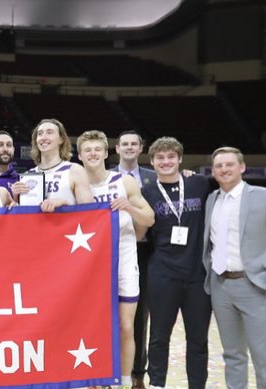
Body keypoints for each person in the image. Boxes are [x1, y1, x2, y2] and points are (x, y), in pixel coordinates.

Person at [203, 146, 266, 389]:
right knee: (233, 355)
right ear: (213, 171)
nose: (224, 169)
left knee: (263, 357)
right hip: (221, 286)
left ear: (242, 167)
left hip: (256, 285)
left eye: (229, 164)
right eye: (218, 166)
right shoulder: (211, 199)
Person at [77, 131, 156, 387]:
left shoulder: (124, 183)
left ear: (105, 152)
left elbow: (149, 219)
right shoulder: (73, 183)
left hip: (123, 262)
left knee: (125, 327)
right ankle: (95, 378)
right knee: (94, 326)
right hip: (88, 267)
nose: (92, 154)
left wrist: (129, 207)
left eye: (97, 149)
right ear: (79, 155)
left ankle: (122, 381)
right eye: (87, 150)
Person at [139, 137, 212, 389]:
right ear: (152, 162)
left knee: (198, 340)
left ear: (180, 159)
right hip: (162, 274)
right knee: (159, 336)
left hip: (197, 275)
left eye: (171, 157)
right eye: (160, 157)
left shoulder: (199, 183)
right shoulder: (146, 190)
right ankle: (157, 385)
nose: (166, 161)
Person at [112, 130, 157, 389]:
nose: (129, 147)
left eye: (134, 143)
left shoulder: (153, 177)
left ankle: (138, 373)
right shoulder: (104, 176)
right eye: (124, 144)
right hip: (111, 249)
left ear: (140, 148)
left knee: (139, 317)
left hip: (145, 250)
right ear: (117, 149)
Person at [11, 119, 94, 213]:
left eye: (49, 132)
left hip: (65, 226)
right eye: (40, 134)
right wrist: (16, 199)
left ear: (61, 139)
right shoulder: (27, 176)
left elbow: (89, 213)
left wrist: (64, 204)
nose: (43, 137)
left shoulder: (75, 170)